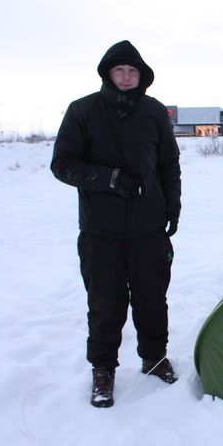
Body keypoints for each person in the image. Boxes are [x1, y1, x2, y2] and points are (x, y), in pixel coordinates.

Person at [51, 40, 181, 408]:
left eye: (133, 71)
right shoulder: (83, 110)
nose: (126, 77)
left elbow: (168, 165)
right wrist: (110, 179)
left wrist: (172, 206)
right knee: (105, 302)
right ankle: (103, 370)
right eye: (119, 70)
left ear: (141, 76)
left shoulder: (155, 112)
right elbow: (62, 164)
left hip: (148, 225)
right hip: (101, 229)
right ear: (108, 73)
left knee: (152, 297)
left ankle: (154, 358)